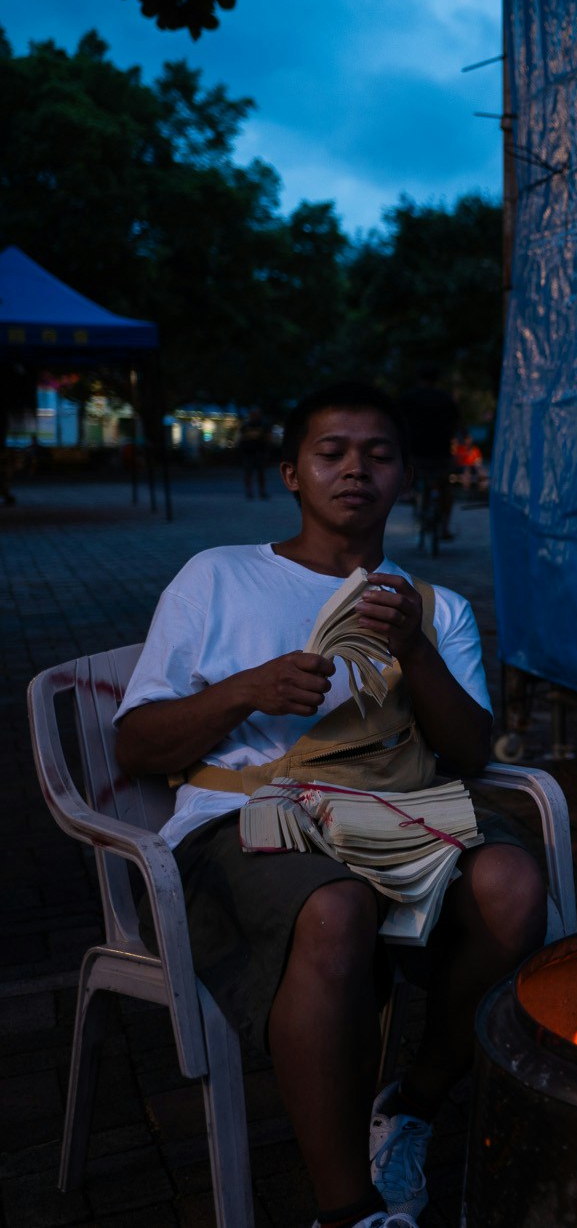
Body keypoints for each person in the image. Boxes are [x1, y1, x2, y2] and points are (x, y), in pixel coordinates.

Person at [113, 382, 546, 1228]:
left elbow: (469, 755)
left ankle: (413, 1101)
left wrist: (414, 650)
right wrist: (249, 688)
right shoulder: (218, 576)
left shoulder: (435, 606)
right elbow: (136, 745)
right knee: (332, 907)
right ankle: (348, 1212)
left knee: (512, 885)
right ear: (291, 473)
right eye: (332, 451)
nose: (356, 469)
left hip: (394, 810)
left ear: (406, 478)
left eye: (379, 454)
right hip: (248, 815)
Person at [397, 366, 460, 541]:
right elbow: (456, 423)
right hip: (441, 452)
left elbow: (397, 423)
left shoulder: (408, 398)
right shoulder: (445, 398)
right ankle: (445, 527)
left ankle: (410, 495)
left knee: (412, 477)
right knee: (446, 485)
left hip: (415, 453)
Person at [239, 407, 273, 500]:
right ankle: (249, 491)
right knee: (248, 473)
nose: (254, 416)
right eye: (253, 414)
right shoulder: (246, 425)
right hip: (248, 452)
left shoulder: (264, 425)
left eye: (256, 414)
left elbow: (269, 438)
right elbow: (241, 438)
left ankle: (262, 491)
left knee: (261, 473)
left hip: (260, 452)